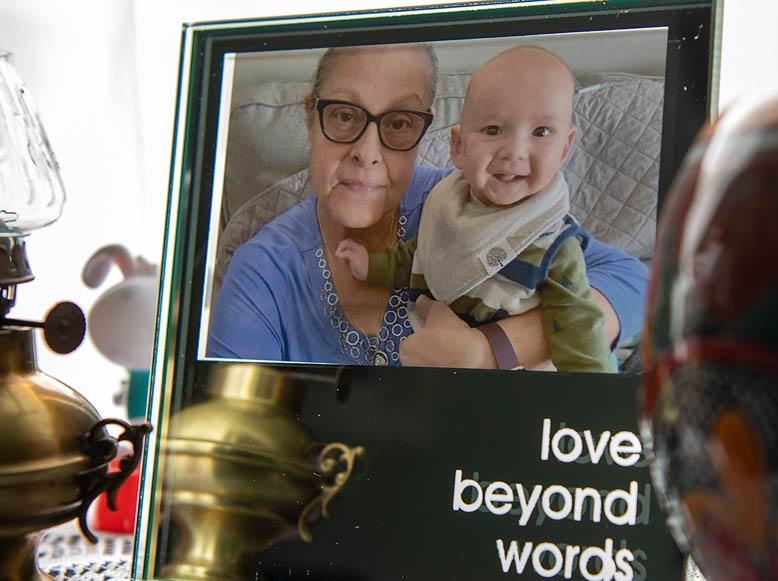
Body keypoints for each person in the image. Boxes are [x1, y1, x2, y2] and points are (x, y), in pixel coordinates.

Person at [207, 42, 648, 368]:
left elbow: (635, 283)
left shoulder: (466, 205)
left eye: (399, 122)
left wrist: (486, 352)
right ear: (310, 119)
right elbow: (238, 449)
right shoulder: (262, 272)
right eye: (344, 115)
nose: (367, 151)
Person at [333, 46, 613, 372]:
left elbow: (580, 329)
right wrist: (372, 266)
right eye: (493, 130)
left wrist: (595, 400)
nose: (514, 151)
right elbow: (422, 257)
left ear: (565, 149)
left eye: (541, 132)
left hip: (512, 378)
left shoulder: (551, 244)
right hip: (432, 356)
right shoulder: (447, 204)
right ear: (458, 146)